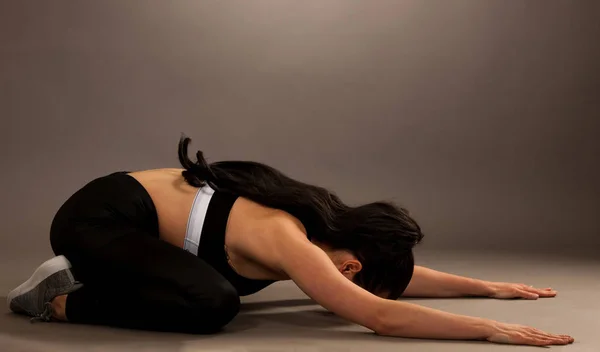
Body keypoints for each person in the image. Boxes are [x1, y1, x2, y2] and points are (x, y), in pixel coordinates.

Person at [7, 135, 573, 346]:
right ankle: (56, 297)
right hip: (98, 219)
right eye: (354, 278)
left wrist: (489, 288)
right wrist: (489, 330)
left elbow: (391, 286)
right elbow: (383, 315)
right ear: (351, 265)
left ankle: (90, 278)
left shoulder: (324, 228)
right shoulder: (290, 237)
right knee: (212, 303)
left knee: (204, 293)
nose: (344, 288)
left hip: (126, 225)